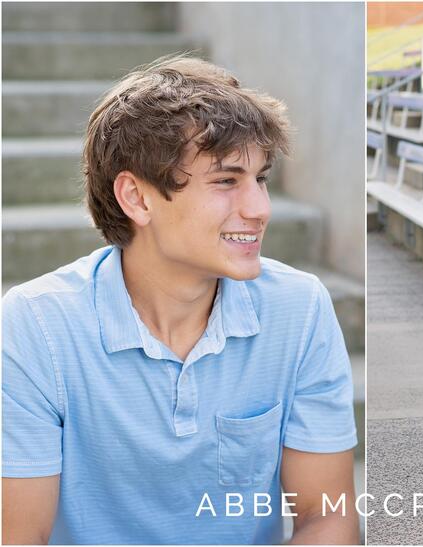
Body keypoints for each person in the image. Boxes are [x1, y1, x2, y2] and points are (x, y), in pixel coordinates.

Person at [2, 55, 359, 544]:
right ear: (137, 198)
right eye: (226, 181)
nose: (259, 208)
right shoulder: (35, 324)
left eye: (261, 179)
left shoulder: (299, 308)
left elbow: (327, 516)